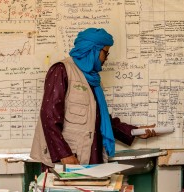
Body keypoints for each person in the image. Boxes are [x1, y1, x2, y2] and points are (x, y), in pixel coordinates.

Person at [31, 28, 155, 168]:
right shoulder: (61, 70)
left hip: (91, 157)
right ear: (93, 50)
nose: (106, 58)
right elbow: (49, 116)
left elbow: (99, 119)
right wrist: (64, 154)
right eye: (105, 53)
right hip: (67, 161)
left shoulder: (93, 80)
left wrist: (135, 131)